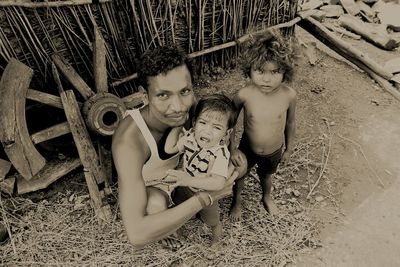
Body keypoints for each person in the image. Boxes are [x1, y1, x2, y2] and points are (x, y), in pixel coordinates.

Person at [112, 45, 243, 249]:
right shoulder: (129, 141)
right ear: (144, 96)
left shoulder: (191, 108)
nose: (178, 106)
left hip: (181, 176)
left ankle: (172, 217)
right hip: (153, 185)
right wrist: (205, 197)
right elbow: (136, 234)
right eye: (163, 95)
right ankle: (167, 224)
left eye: (184, 91)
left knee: (236, 167)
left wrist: (232, 150)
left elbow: (226, 124)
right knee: (155, 204)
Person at [229, 30, 298, 219]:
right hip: (247, 147)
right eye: (260, 71)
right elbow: (230, 124)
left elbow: (290, 122)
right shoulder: (244, 95)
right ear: (249, 69)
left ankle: (267, 197)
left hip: (274, 150)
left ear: (286, 70)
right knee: (240, 174)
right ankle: (237, 200)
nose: (267, 79)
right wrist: (233, 149)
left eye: (275, 71)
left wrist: (289, 149)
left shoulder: (289, 95)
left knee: (266, 176)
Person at [162, 94, 238, 244]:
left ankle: (216, 240)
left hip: (206, 194)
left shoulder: (220, 154)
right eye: (203, 123)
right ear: (194, 122)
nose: (207, 131)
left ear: (226, 133)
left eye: (217, 128)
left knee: (212, 221)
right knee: (179, 209)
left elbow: (218, 183)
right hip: (185, 186)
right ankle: (180, 228)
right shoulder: (191, 137)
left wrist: (187, 179)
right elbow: (170, 149)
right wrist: (177, 127)